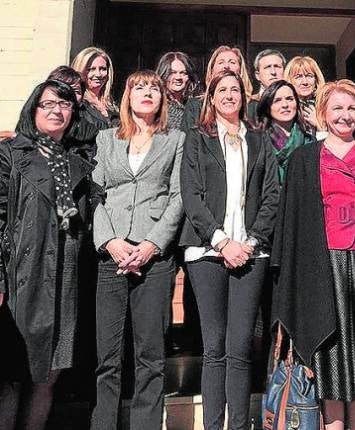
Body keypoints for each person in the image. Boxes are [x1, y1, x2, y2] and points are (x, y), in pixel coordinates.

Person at [271, 79, 355, 430]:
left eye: (351, 108)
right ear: (323, 113)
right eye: (337, 108)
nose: (345, 115)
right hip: (324, 266)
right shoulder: (305, 159)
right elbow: (296, 224)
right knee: (330, 355)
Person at [179, 69, 279, 430]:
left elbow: (271, 196)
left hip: (251, 254)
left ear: (244, 96)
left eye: (235, 89)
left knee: (240, 348)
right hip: (207, 253)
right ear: (211, 96)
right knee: (214, 347)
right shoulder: (196, 139)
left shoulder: (259, 138)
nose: (229, 95)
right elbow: (191, 196)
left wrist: (248, 243)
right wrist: (221, 240)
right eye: (222, 90)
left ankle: (237, 425)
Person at [0, 80, 97, 430]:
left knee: (48, 376)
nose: (57, 110)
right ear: (33, 109)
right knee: (11, 375)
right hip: (21, 277)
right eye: (48, 104)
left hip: (64, 276)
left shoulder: (78, 161)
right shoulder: (11, 152)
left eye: (65, 105)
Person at [90, 70, 184, 430]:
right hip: (110, 257)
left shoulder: (175, 140)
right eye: (138, 87)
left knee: (151, 356)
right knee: (108, 359)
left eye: (153, 89)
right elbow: (96, 195)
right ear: (127, 97)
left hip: (154, 259)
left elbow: (177, 197)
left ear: (162, 99)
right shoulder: (104, 139)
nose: (146, 93)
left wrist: (151, 245)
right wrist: (110, 241)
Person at [181, 46, 253, 132]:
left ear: (241, 70)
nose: (226, 66)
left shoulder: (253, 107)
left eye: (232, 62)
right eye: (221, 62)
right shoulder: (195, 107)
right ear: (212, 70)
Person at [256, 79, 314, 184]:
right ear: (268, 107)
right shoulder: (259, 144)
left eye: (289, 99)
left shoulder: (309, 142)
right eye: (277, 100)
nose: (285, 105)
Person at [71, 47, 120, 129]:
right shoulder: (76, 102)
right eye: (91, 69)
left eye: (102, 69)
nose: (98, 74)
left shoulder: (113, 104)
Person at [284, 56, 326, 136]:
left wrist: (320, 127)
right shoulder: (284, 108)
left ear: (316, 80)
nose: (305, 82)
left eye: (309, 76)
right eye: (298, 77)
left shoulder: (325, 108)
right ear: (289, 80)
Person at [156, 51, 200, 129]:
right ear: (163, 74)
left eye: (183, 73)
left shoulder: (195, 105)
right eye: (172, 73)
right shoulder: (157, 106)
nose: (178, 77)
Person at [248, 49, 286, 123]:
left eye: (277, 66)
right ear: (257, 75)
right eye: (268, 67)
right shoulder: (249, 104)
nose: (273, 72)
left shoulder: (293, 103)